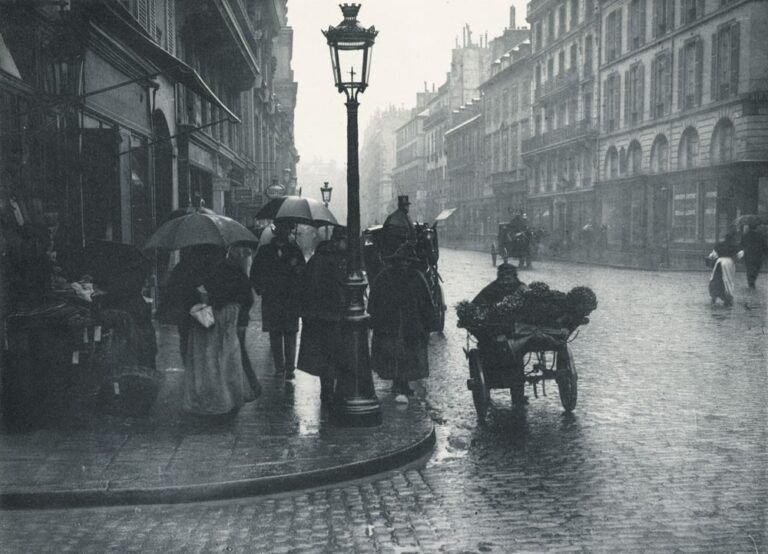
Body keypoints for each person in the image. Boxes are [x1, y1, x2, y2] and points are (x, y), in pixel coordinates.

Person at [180, 245, 256, 419]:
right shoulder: (234, 272)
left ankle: (213, 399)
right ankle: (226, 398)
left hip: (207, 319)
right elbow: (247, 298)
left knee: (208, 360)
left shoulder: (197, 270)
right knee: (226, 359)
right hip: (224, 320)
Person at [368, 243, 432, 404]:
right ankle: (399, 383)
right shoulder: (386, 276)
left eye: (407, 261)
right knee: (394, 354)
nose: (405, 264)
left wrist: (428, 323)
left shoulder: (416, 277)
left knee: (407, 355)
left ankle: (403, 383)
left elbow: (426, 302)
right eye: (402, 261)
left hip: (410, 323)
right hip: (390, 323)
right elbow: (375, 300)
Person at [297, 226, 348, 404]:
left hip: (318, 315)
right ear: (338, 241)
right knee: (331, 354)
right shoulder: (330, 261)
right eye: (346, 242)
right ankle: (328, 391)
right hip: (328, 314)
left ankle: (328, 389)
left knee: (325, 355)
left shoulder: (320, 259)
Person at [250, 221, 306, 380]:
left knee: (290, 333)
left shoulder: (295, 251)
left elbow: (303, 274)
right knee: (275, 333)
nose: (284, 231)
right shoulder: (265, 251)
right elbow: (255, 273)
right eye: (281, 228)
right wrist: (262, 289)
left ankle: (289, 368)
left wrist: (296, 268)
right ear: (276, 231)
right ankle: (279, 367)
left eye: (287, 228)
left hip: (290, 299)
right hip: (272, 298)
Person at [708, 231, 742, 306]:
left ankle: (715, 294)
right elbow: (740, 254)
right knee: (728, 280)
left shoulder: (719, 244)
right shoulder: (734, 245)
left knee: (716, 277)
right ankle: (728, 295)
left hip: (719, 262)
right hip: (729, 263)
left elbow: (713, 255)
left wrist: (711, 257)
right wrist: (736, 258)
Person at [740, 224, 767, 288]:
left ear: (749, 228)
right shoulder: (760, 235)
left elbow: (741, 245)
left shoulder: (745, 235)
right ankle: (753, 279)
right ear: (756, 227)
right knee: (757, 268)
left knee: (749, 268)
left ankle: (750, 281)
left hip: (748, 255)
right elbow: (764, 245)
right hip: (758, 255)